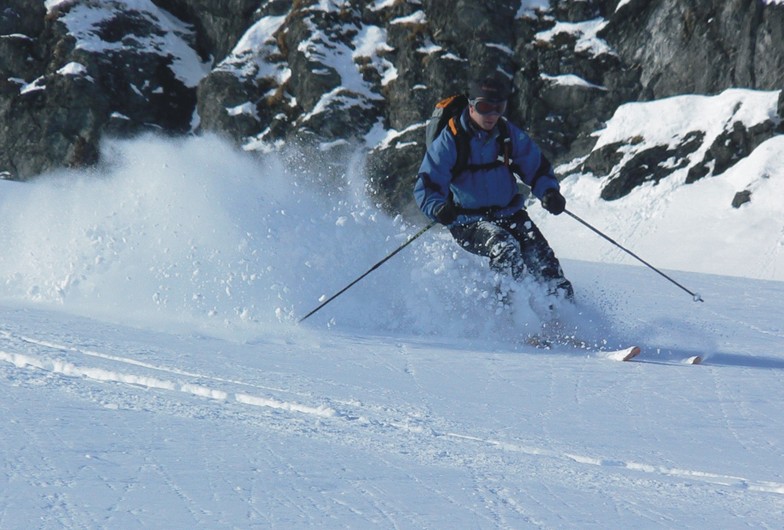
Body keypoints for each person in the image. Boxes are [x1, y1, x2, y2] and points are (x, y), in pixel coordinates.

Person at [414, 75, 574, 303]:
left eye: (498, 107)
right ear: (471, 106)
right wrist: (438, 208)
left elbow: (536, 167)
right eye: (484, 107)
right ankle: (513, 317)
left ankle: (567, 319)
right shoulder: (450, 140)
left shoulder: (507, 134)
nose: (491, 115)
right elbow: (427, 184)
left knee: (542, 259)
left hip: (509, 213)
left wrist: (549, 192)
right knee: (504, 249)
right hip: (467, 221)